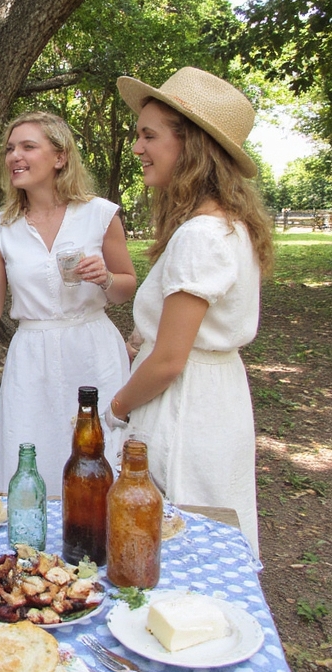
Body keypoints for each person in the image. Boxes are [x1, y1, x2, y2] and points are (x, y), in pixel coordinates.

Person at [107, 67, 274, 556]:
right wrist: (147, 335)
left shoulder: (201, 235)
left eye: (149, 135)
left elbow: (170, 361)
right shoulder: (229, 225)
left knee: (178, 542)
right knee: (207, 540)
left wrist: (115, 410)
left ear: (192, 145)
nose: (137, 147)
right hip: (218, 401)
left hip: (185, 408)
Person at [0, 110, 136, 495]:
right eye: (10, 149)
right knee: (31, 454)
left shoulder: (100, 215)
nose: (15, 156)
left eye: (28, 146)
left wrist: (106, 278)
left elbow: (126, 288)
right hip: (32, 357)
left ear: (60, 157)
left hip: (93, 351)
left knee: (98, 458)